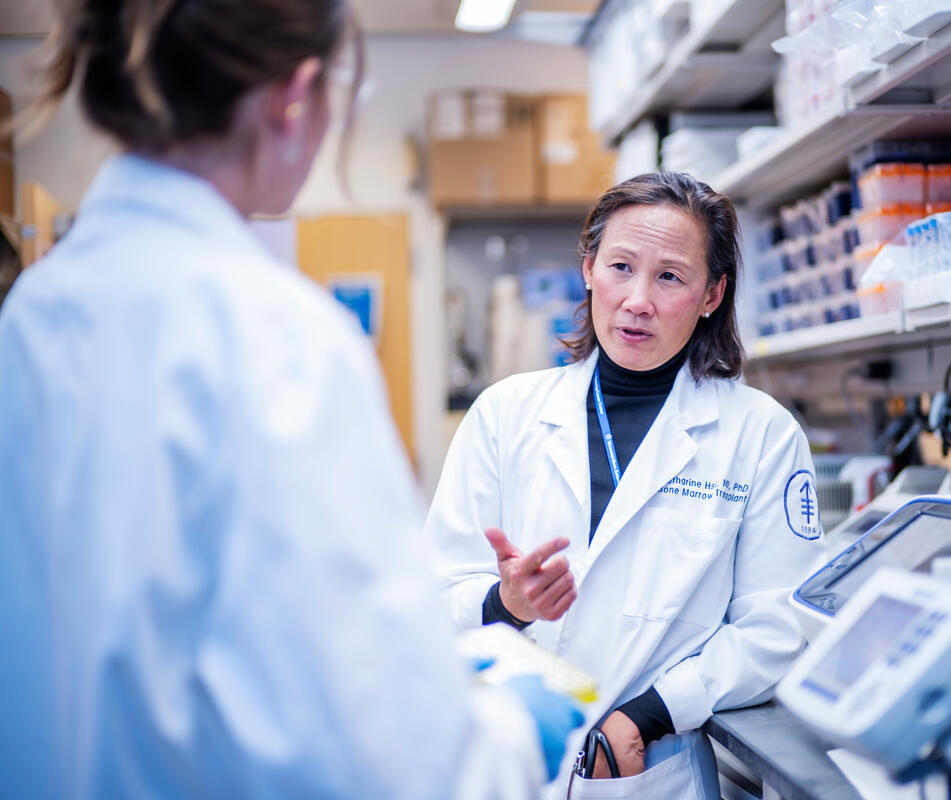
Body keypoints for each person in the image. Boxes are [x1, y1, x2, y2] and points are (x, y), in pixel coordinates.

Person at [0, 1, 581, 797]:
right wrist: (517, 729)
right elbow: (380, 756)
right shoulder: (278, 336)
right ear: (295, 95)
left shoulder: (32, 314)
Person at [427, 172, 828, 797]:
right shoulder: (504, 414)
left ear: (712, 295)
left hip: (648, 771)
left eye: (670, 276)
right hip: (508, 767)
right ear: (588, 269)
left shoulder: (761, 435)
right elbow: (440, 586)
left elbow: (778, 626)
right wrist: (505, 604)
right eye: (620, 266)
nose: (637, 299)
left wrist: (653, 712)